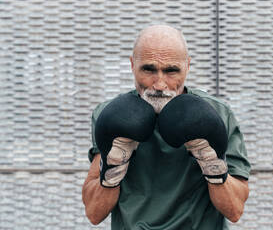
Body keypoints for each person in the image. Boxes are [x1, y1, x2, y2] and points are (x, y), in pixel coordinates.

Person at [82, 25, 251, 230]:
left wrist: (212, 164)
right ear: (132, 65)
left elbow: (234, 210)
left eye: (171, 71)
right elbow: (94, 212)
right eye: (148, 69)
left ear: (187, 67)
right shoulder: (109, 115)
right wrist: (113, 168)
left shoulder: (218, 113)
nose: (160, 84)